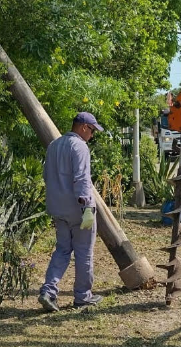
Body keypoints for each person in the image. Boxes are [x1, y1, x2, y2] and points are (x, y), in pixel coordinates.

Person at [38, 112, 104, 312]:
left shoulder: (53, 145)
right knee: (84, 252)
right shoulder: (80, 147)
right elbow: (82, 179)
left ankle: (48, 292)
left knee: (62, 250)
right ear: (83, 127)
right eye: (92, 130)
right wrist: (86, 209)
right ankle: (83, 297)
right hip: (78, 209)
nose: (92, 135)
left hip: (58, 209)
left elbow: (46, 175)